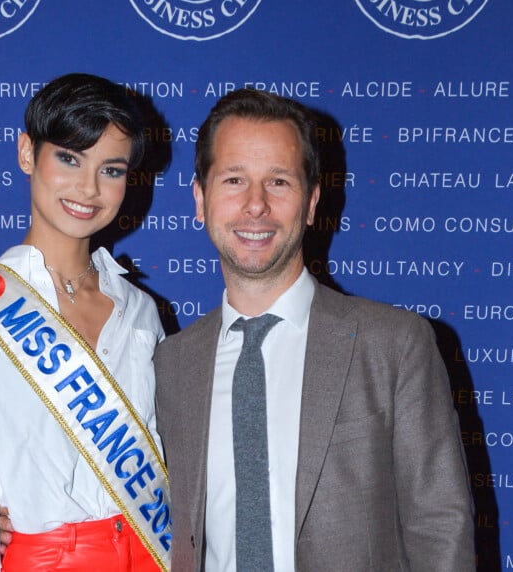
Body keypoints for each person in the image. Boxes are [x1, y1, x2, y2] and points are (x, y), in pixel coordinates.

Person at [154, 88, 476, 571]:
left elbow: (440, 528)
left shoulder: (394, 345)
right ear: (200, 199)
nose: (256, 205)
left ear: (311, 203)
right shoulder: (172, 362)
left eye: (279, 182)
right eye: (234, 179)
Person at [0, 73, 170, 571]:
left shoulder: (141, 311)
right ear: (26, 152)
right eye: (69, 158)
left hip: (152, 553)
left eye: (112, 170)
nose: (89, 188)